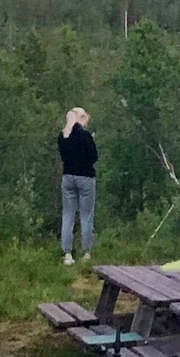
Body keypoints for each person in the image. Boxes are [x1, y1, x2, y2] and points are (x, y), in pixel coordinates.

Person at [57, 107, 97, 264]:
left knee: (68, 215)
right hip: (86, 177)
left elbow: (63, 157)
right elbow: (94, 157)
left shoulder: (62, 136)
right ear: (81, 118)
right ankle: (86, 253)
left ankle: (67, 253)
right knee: (86, 215)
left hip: (68, 177)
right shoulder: (86, 136)